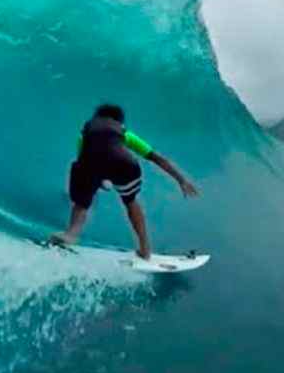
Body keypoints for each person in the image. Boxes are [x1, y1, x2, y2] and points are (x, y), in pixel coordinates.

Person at [46, 103, 199, 259]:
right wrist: (181, 179)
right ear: (119, 122)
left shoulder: (85, 134)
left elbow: (83, 162)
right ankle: (145, 249)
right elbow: (156, 158)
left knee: (82, 203)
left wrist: (97, 182)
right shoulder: (124, 133)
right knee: (130, 201)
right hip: (125, 166)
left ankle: (71, 234)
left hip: (92, 167)